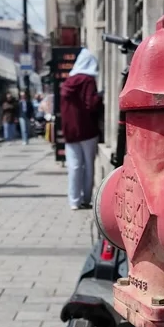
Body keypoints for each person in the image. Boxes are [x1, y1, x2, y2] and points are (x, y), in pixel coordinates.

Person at [60, 48, 102, 211]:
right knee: (88, 166)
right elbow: (91, 104)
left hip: (70, 131)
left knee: (74, 166)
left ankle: (74, 200)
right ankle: (86, 198)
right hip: (87, 129)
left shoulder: (68, 82)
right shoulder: (88, 80)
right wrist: (100, 96)